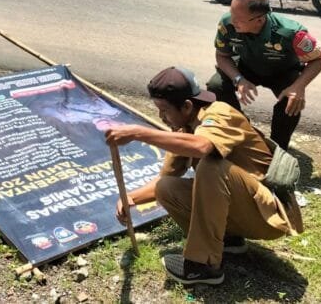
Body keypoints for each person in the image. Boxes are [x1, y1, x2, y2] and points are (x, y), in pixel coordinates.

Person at [106, 66, 303, 286]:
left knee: (211, 166)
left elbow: (202, 147)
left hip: (268, 216)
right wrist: (131, 198)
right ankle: (229, 239)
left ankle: (203, 265)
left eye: (164, 110)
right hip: (245, 210)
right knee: (166, 188)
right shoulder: (184, 130)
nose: (161, 117)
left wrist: (139, 133)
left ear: (187, 106)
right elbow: (165, 179)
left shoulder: (220, 113)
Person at [207, 0, 321, 149]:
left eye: (239, 19)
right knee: (216, 85)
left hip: (282, 71)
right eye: (232, 14)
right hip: (247, 66)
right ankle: (242, 132)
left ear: (259, 19)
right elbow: (222, 56)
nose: (232, 21)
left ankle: (277, 148)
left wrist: (299, 87)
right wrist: (239, 79)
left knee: (291, 101)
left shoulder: (290, 32)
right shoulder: (227, 23)